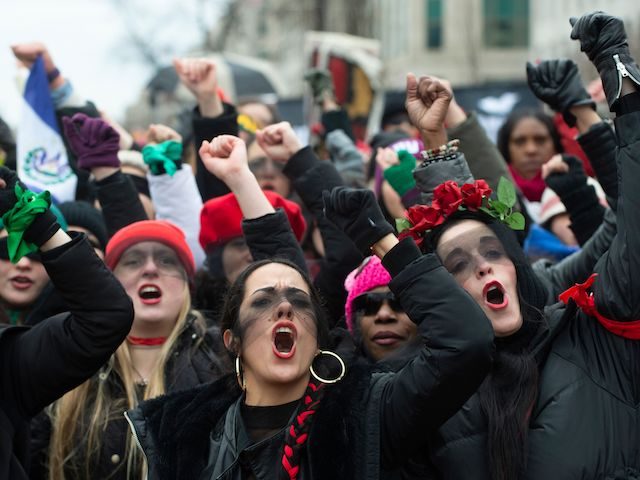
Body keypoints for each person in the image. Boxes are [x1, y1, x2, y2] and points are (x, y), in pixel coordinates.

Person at [123, 133, 494, 480]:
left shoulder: (366, 412)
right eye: (262, 301)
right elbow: (282, 267)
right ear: (231, 339)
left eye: (299, 303)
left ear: (318, 337)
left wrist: (382, 241)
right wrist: (240, 178)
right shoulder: (181, 433)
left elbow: (466, 342)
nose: (284, 309)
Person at [397, 12, 640, 478]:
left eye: (495, 254)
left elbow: (628, 222)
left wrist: (616, 67)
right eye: (460, 267)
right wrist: (434, 137)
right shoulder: (427, 391)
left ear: (517, 265)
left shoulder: (589, 334)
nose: (486, 269)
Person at [30, 220, 226, 480]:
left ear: (187, 284)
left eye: (167, 261)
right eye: (132, 261)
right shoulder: (70, 360)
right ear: (109, 282)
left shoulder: (222, 358)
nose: (150, 269)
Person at [0, 166, 134, 480]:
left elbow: (105, 316)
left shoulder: (5, 360)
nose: (21, 263)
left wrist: (37, 223)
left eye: (32, 256)